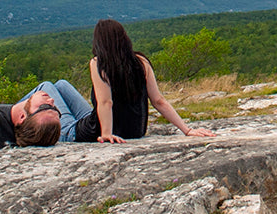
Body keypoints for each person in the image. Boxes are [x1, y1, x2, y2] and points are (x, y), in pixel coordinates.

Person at [83, 18, 217, 143]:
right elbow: (158, 100)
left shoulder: (98, 63)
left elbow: (106, 102)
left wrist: (106, 133)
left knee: (61, 86)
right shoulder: (141, 62)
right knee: (64, 92)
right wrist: (187, 130)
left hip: (98, 130)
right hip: (136, 131)